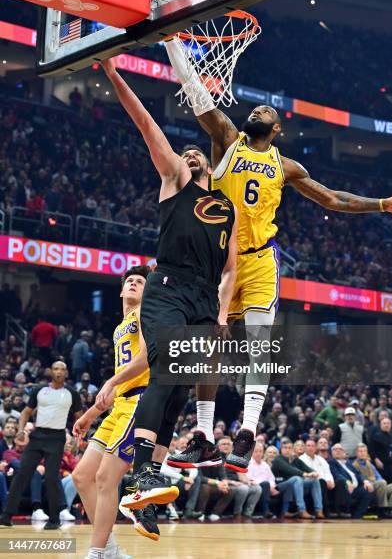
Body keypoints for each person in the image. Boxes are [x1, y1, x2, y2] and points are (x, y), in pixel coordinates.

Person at [166, 38, 392, 472]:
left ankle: (246, 434)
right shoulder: (227, 140)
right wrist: (172, 45)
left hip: (258, 260)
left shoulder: (286, 166)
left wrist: (382, 205)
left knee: (259, 347)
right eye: (258, 111)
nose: (261, 113)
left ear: (277, 130)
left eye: (269, 114)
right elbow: (198, 93)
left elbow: (332, 198)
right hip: (217, 263)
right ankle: (202, 437)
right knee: (209, 347)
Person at [98, 58, 237, 536]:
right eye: (187, 153)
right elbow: (146, 124)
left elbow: (232, 267)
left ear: (212, 168)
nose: (191, 155)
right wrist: (115, 75)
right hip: (169, 288)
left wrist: (220, 311)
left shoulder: (225, 207)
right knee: (165, 371)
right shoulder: (175, 181)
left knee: (181, 385)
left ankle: (148, 488)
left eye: (199, 154)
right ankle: (140, 478)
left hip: (203, 299)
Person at [73, 266, 151, 559]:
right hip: (119, 405)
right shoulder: (121, 326)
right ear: (120, 290)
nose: (132, 283)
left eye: (139, 282)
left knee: (106, 478)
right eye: (129, 281)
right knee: (82, 476)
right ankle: (109, 548)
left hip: (140, 402)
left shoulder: (146, 314)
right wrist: (91, 414)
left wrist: (111, 381)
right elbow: (119, 383)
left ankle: (96, 552)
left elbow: (145, 360)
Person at [0, 361, 82, 529]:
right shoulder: (39, 390)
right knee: (22, 473)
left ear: (66, 373)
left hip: (57, 437)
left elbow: (80, 418)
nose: (59, 372)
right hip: (38, 436)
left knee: (52, 478)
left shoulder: (72, 393)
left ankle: (54, 519)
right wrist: (21, 430)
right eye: (56, 368)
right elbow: (25, 412)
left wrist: (77, 438)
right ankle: (7, 515)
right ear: (50, 371)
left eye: (62, 369)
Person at [272, 439, 323, 518]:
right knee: (297, 478)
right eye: (285, 448)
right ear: (281, 449)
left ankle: (318, 510)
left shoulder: (295, 460)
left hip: (294, 485)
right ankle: (302, 510)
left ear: (292, 450)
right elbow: (289, 469)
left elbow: (307, 468)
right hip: (279, 485)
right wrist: (304, 474)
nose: (287, 450)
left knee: (314, 480)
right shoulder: (278, 459)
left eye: (289, 448)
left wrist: (314, 472)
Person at [352, 443, 392, 516]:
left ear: (367, 453)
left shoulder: (370, 464)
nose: (362, 453)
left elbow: (378, 476)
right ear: (356, 453)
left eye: (364, 451)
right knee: (381, 483)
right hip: (369, 488)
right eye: (360, 451)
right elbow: (359, 479)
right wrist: (379, 482)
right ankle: (383, 509)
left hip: (380, 486)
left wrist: (381, 482)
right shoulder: (354, 465)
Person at [220, 437, 262, 518]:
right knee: (243, 488)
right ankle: (237, 513)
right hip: (226, 482)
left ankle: (247, 513)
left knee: (257, 488)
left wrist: (248, 481)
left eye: (228, 444)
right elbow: (221, 476)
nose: (226, 446)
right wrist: (232, 482)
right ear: (218, 447)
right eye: (223, 444)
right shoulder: (218, 459)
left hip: (237, 482)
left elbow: (240, 474)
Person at [328, 444, 374, 518]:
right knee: (343, 485)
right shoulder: (331, 462)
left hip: (355, 488)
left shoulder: (348, 463)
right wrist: (346, 481)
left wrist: (365, 481)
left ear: (343, 452)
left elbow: (358, 474)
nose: (338, 450)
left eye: (340, 449)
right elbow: (336, 474)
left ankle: (357, 516)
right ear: (331, 452)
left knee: (367, 490)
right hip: (344, 487)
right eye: (335, 449)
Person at [299, 439, 336, 516]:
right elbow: (302, 475)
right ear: (305, 448)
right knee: (321, 482)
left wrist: (330, 481)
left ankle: (338, 510)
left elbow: (327, 472)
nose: (310, 448)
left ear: (316, 448)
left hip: (323, 481)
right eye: (308, 446)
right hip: (307, 483)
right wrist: (323, 480)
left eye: (313, 446)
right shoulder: (300, 459)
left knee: (339, 483)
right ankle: (323, 510)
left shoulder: (321, 459)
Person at [368, 417, 392, 483]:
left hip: (390, 465)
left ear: (391, 425)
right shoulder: (375, 436)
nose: (386, 425)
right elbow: (371, 449)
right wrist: (375, 459)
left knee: (391, 483)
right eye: (384, 423)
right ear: (381, 425)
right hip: (380, 465)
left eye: (388, 423)